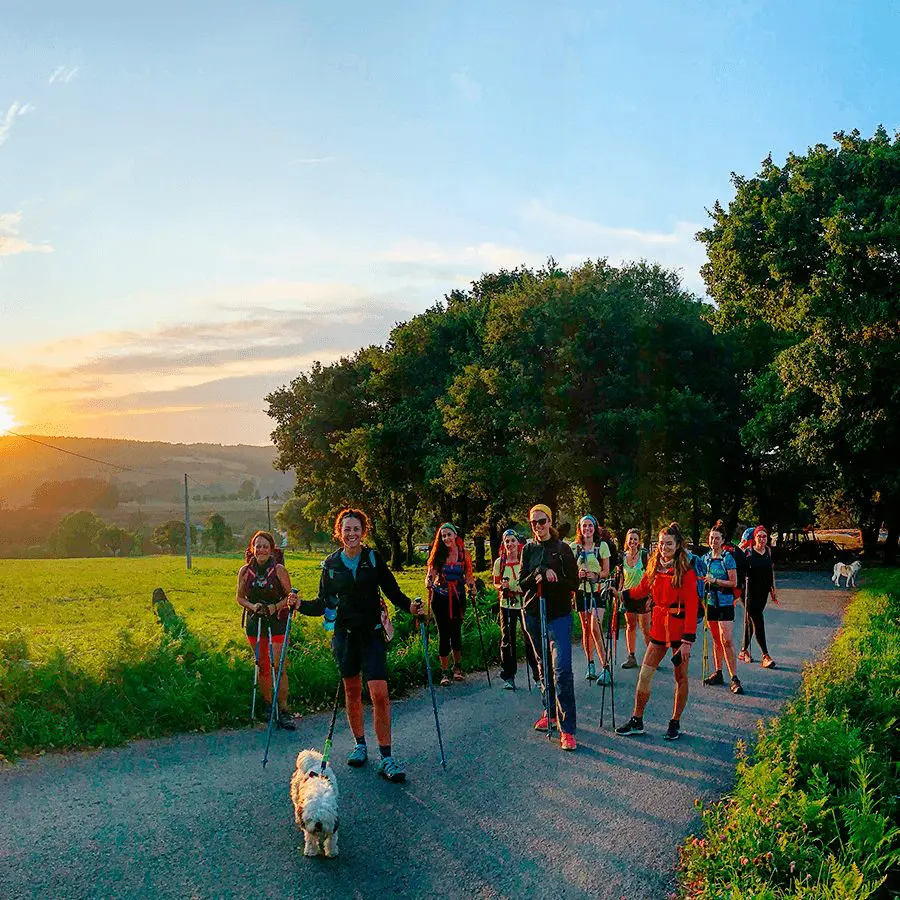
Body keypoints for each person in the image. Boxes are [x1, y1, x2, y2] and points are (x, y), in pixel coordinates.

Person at [297, 508, 423, 783]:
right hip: (345, 635)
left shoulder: (373, 559)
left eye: (356, 529)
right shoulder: (331, 564)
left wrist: (410, 608)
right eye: (346, 530)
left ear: (363, 532)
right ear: (339, 533)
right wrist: (300, 606)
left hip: (371, 634)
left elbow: (393, 591)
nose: (351, 534)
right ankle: (360, 745)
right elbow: (323, 604)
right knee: (352, 691)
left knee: (379, 693)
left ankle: (387, 757)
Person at [615, 522, 699, 741]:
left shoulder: (686, 569)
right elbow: (642, 589)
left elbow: (692, 605)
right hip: (659, 628)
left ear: (678, 545)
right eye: (661, 544)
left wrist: (688, 639)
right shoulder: (654, 565)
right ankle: (637, 720)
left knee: (680, 677)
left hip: (679, 631)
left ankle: (675, 722)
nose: (664, 547)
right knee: (644, 674)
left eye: (669, 544)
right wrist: (622, 595)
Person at [520, 504, 579, 751]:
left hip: (558, 614)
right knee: (543, 665)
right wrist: (539, 572)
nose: (538, 527)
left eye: (542, 521)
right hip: (533, 613)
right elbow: (522, 583)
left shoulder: (562, 548)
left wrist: (554, 576)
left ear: (550, 521)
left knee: (562, 669)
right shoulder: (528, 549)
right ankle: (550, 712)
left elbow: (573, 582)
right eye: (534, 523)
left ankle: (568, 730)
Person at [235, 530, 298, 730]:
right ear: (252, 549)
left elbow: (290, 597)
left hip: (277, 622)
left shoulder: (279, 570)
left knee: (278, 665)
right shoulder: (245, 571)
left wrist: (275, 607)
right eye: (258, 546)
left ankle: (284, 708)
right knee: (263, 666)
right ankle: (269, 706)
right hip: (256, 623)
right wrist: (253, 607)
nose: (261, 550)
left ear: (271, 550)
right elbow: (240, 597)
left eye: (265, 546)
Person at [426, 523, 475, 686]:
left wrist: (472, 587)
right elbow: (431, 573)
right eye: (443, 536)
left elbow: (468, 575)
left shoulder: (464, 554)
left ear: (455, 535)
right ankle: (444, 671)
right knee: (443, 634)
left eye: (448, 534)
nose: (446, 538)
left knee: (456, 632)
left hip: (458, 598)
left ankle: (457, 668)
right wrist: (428, 580)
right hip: (440, 599)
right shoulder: (438, 554)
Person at [700, 522, 744, 695]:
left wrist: (715, 581)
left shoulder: (727, 558)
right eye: (711, 538)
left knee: (727, 640)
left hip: (725, 602)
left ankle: (734, 677)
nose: (713, 541)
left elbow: (734, 582)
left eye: (717, 538)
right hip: (710, 603)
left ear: (723, 540)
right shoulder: (705, 558)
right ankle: (718, 672)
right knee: (716, 640)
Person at [493, 529, 538, 690]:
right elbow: (495, 583)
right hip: (506, 603)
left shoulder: (524, 560)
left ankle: (537, 675)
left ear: (518, 543)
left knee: (530, 638)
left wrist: (523, 587)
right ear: (504, 544)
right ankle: (509, 676)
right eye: (507, 541)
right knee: (507, 640)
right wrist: (502, 586)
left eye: (512, 541)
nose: (510, 544)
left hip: (525, 602)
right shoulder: (500, 562)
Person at [571, 515, 611, 684]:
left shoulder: (601, 546)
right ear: (579, 529)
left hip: (597, 591)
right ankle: (590, 664)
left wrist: (595, 575)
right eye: (584, 526)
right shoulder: (574, 548)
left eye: (590, 526)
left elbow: (606, 571)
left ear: (595, 528)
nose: (587, 529)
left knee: (596, 627)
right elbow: (569, 572)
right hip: (581, 591)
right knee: (586, 628)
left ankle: (606, 667)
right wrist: (577, 575)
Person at [739, 525, 779, 668]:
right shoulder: (747, 553)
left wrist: (773, 588)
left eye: (764, 537)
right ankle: (765, 655)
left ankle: (743, 650)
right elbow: (739, 572)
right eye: (759, 536)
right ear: (754, 538)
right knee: (758, 620)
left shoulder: (767, 551)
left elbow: (770, 570)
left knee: (751, 622)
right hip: (748, 593)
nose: (761, 539)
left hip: (763, 592)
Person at [619, 528, 650, 669]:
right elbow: (621, 578)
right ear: (627, 540)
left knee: (645, 628)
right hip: (628, 595)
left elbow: (651, 576)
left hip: (643, 595)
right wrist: (619, 594)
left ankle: (652, 657)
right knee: (630, 626)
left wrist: (651, 596)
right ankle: (631, 656)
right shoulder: (623, 557)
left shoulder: (644, 555)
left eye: (635, 539)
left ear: (639, 541)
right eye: (630, 539)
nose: (632, 542)